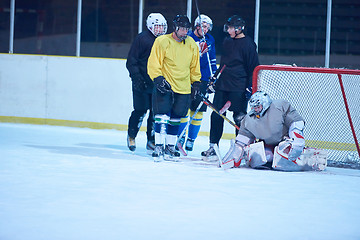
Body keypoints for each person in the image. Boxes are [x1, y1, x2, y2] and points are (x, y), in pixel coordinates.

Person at [201, 15, 260, 161]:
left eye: (231, 27)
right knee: (216, 115)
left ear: (239, 29)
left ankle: (241, 149)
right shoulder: (227, 41)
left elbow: (253, 68)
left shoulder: (248, 44)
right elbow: (224, 65)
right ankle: (213, 147)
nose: (228, 30)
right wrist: (214, 79)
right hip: (223, 85)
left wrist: (250, 87)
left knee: (239, 118)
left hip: (238, 86)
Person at [221, 91, 327, 171]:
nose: (255, 110)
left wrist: (297, 138)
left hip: (285, 141)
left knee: (283, 153)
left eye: (258, 107)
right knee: (259, 158)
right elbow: (241, 142)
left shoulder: (280, 106)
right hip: (268, 146)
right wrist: (234, 156)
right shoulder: (248, 119)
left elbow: (296, 122)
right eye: (253, 107)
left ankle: (311, 159)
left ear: (265, 103)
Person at [147, 15, 201, 161]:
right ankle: (158, 145)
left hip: (183, 87)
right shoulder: (162, 41)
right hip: (165, 86)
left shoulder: (191, 44)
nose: (185, 32)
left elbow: (194, 66)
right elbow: (154, 62)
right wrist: (157, 78)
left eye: (187, 29)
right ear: (175, 28)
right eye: (182, 29)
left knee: (176, 117)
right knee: (162, 116)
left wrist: (196, 82)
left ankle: (170, 147)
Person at [126, 13, 167, 153]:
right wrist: (136, 78)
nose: (160, 30)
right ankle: (131, 135)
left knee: (155, 114)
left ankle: (151, 140)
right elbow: (131, 61)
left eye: (162, 27)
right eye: (157, 27)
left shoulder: (164, 41)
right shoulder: (142, 39)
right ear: (150, 26)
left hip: (156, 83)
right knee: (140, 110)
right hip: (141, 82)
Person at [177, 14, 217, 152]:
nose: (205, 29)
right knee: (183, 108)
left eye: (207, 27)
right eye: (203, 26)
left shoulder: (210, 39)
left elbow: (212, 59)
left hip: (203, 78)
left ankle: (191, 139)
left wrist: (214, 76)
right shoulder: (187, 37)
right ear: (197, 25)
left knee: (198, 110)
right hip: (187, 77)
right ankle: (181, 136)